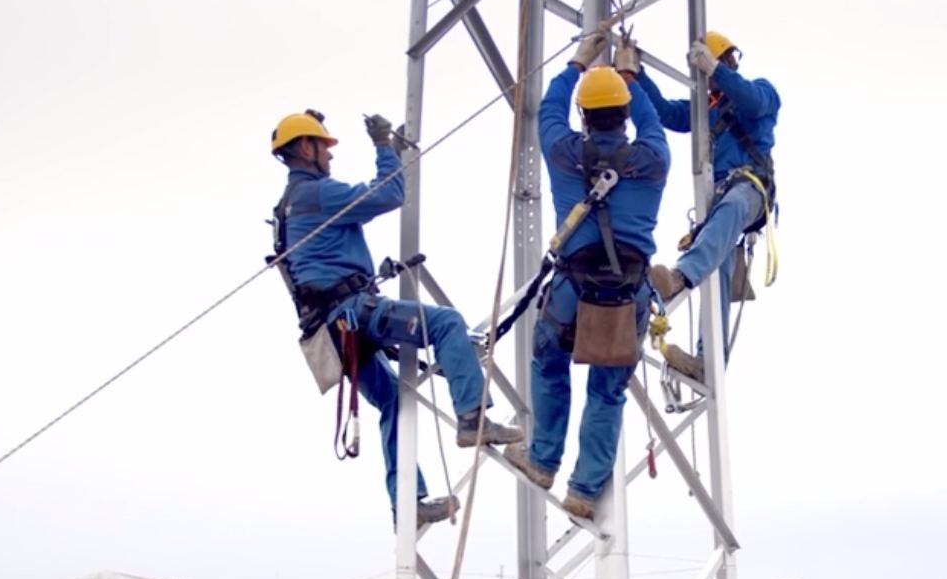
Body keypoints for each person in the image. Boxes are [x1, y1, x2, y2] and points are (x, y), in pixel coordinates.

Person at [268, 110, 523, 527]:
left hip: (333, 330)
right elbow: (386, 196)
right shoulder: (315, 194)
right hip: (351, 316)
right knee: (446, 324)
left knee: (394, 402)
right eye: (324, 147)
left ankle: (408, 504)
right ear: (303, 148)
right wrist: (385, 147)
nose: (330, 157)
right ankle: (473, 418)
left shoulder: (291, 204)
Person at [500, 33, 670, 519]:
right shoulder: (654, 159)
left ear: (584, 116)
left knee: (549, 365)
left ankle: (543, 459)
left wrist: (577, 63)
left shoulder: (562, 151)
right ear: (623, 113)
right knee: (608, 391)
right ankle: (584, 489)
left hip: (572, 291)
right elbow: (653, 120)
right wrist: (629, 76)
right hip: (626, 294)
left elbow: (548, 109)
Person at [632, 31, 781, 381]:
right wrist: (638, 74)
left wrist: (717, 70)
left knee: (729, 210)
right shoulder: (707, 110)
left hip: (750, 190)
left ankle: (680, 276)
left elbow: (754, 102)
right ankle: (708, 363)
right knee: (717, 271)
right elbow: (668, 112)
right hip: (720, 204)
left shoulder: (761, 91)